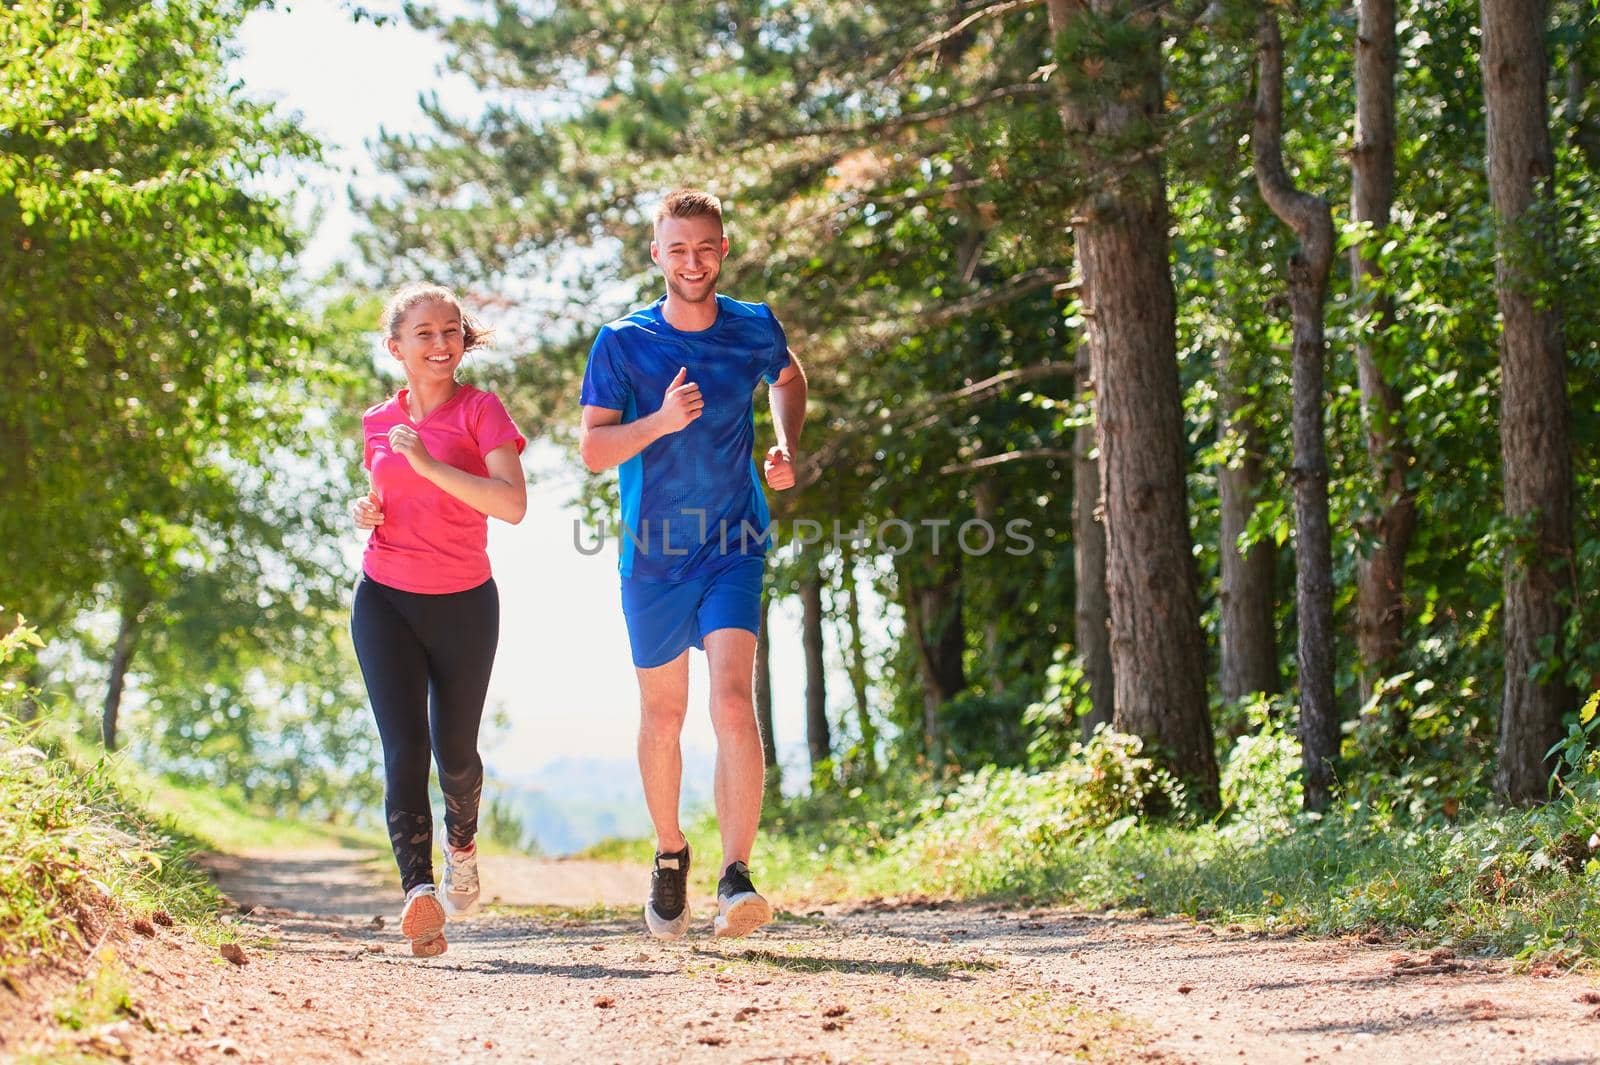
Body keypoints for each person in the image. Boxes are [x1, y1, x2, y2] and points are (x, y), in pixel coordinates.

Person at [578, 188, 808, 940]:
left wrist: (785, 445)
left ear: (724, 250)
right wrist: (661, 420)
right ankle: (670, 852)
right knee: (664, 714)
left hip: (734, 544)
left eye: (705, 246)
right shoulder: (623, 341)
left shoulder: (753, 325)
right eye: (677, 248)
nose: (693, 261)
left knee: (733, 701)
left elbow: (788, 377)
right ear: (657, 255)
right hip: (653, 557)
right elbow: (593, 451)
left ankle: (736, 875)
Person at [349, 283, 527, 957]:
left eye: (451, 330)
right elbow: (383, 494)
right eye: (424, 333)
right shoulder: (376, 421)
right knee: (404, 748)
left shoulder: (482, 411)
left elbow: (512, 504)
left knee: (455, 755)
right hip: (385, 596)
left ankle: (462, 840)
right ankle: (418, 895)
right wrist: (363, 512)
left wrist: (425, 461)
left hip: (464, 602)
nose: (441, 343)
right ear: (395, 347)